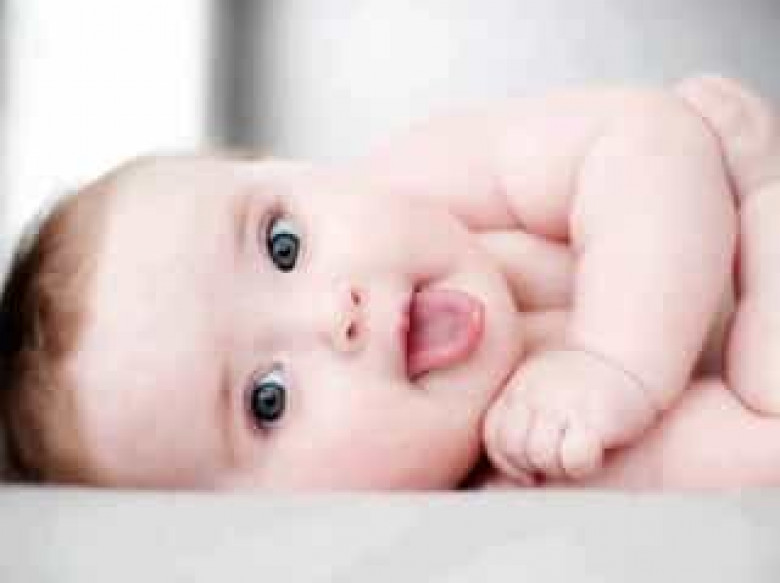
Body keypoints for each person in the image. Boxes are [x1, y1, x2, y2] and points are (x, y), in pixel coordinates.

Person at [2, 75, 780, 490]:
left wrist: (611, 359)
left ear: (296, 167)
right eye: (267, 400)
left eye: (282, 244)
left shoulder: (424, 180)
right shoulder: (535, 464)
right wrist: (757, 201)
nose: (334, 314)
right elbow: (764, 450)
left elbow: (646, 132)